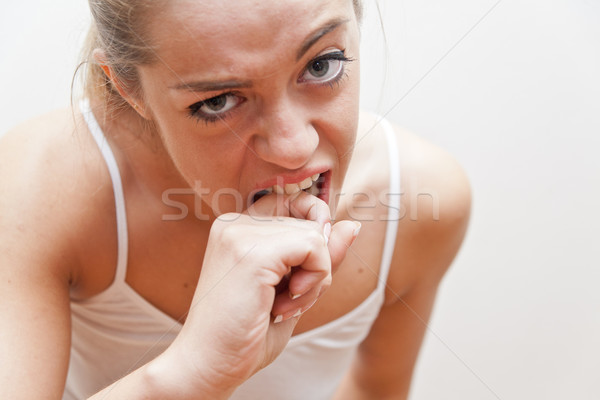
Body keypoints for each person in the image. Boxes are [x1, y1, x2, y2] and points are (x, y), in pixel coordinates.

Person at [0, 0, 471, 398]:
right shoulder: (36, 193)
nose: (294, 147)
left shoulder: (422, 199)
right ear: (129, 89)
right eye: (219, 101)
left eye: (321, 65)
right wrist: (186, 373)